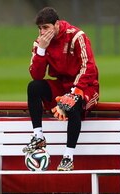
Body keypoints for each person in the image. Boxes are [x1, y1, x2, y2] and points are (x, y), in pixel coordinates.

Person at [22, 7, 99, 171]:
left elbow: (89, 68)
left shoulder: (76, 36)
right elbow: (36, 75)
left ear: (56, 24)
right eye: (40, 28)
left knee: (71, 104)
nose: (42, 32)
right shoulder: (40, 42)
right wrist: (41, 50)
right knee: (34, 87)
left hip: (86, 87)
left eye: (46, 28)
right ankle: (38, 137)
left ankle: (68, 157)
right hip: (62, 85)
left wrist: (74, 92)